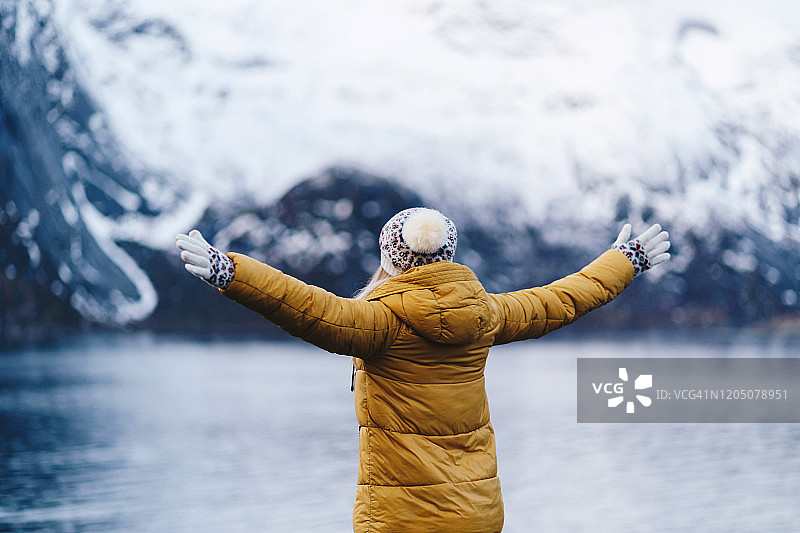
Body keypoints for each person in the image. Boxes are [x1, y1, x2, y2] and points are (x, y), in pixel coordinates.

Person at [175, 207, 670, 533]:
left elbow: (305, 306)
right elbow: (564, 298)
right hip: (476, 513)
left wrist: (230, 272)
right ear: (448, 257)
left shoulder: (379, 323)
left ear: (389, 260)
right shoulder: (486, 315)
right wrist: (624, 261)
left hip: (399, 520)